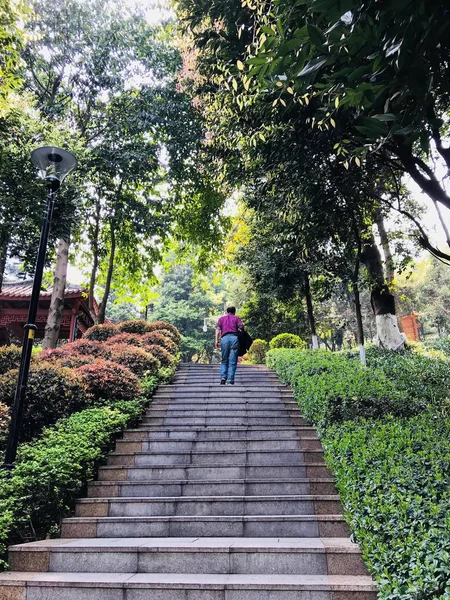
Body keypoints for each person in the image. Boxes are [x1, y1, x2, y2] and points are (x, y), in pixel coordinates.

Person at [215, 306, 243, 385]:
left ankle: (223, 377)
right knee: (233, 361)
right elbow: (241, 328)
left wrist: (217, 340)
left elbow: (217, 329)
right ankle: (230, 379)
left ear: (227, 312)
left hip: (224, 339)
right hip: (234, 338)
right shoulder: (237, 318)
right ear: (234, 312)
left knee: (224, 360)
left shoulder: (221, 319)